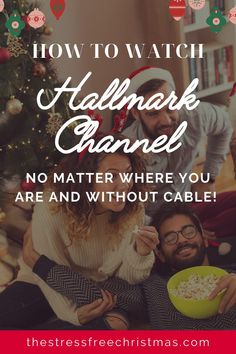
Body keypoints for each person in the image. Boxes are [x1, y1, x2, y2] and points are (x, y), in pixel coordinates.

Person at [0, 133, 159, 330]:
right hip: (43, 281)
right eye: (112, 175)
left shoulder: (133, 207)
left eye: (128, 172)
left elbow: (126, 278)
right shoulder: (52, 208)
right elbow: (47, 271)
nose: (125, 184)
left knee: (116, 326)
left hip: (101, 288)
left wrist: (140, 253)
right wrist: (71, 314)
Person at [22, 203, 236, 330]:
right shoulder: (154, 289)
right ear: (159, 252)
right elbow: (99, 292)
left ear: (204, 238)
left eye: (188, 231)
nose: (181, 240)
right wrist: (39, 263)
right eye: (170, 238)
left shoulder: (231, 270)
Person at [122, 66, 236, 239]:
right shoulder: (125, 149)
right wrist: (180, 230)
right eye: (153, 113)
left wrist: (209, 177)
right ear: (136, 114)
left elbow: (224, 126)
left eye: (170, 108)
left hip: (190, 204)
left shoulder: (195, 115)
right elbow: (126, 211)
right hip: (153, 224)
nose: (166, 120)